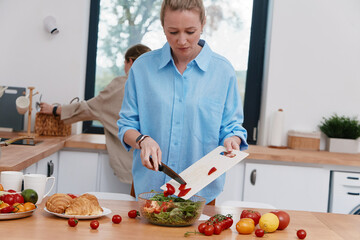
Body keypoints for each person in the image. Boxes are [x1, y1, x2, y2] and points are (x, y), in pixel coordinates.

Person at [117, 0, 248, 204]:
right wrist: (143, 140)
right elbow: (126, 126)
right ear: (163, 27)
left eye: (190, 31)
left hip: (201, 194)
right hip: (149, 191)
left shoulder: (223, 71)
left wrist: (233, 140)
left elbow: (231, 127)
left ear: (203, 24)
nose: (182, 40)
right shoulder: (142, 68)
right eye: (173, 32)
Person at [40, 44, 151, 185]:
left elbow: (89, 108)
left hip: (131, 163)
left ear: (130, 61)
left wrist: (54, 109)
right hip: (155, 160)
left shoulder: (121, 85)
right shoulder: (155, 85)